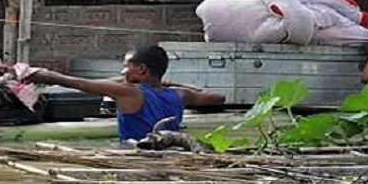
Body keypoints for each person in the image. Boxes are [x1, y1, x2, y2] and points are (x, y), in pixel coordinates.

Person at [24, 45, 226, 141]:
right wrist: (169, 83)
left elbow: (79, 83)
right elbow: (217, 97)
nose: (122, 72)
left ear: (142, 70)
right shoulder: (180, 95)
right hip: (171, 154)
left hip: (135, 156)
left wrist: (39, 74)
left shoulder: (129, 93)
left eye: (126, 66)